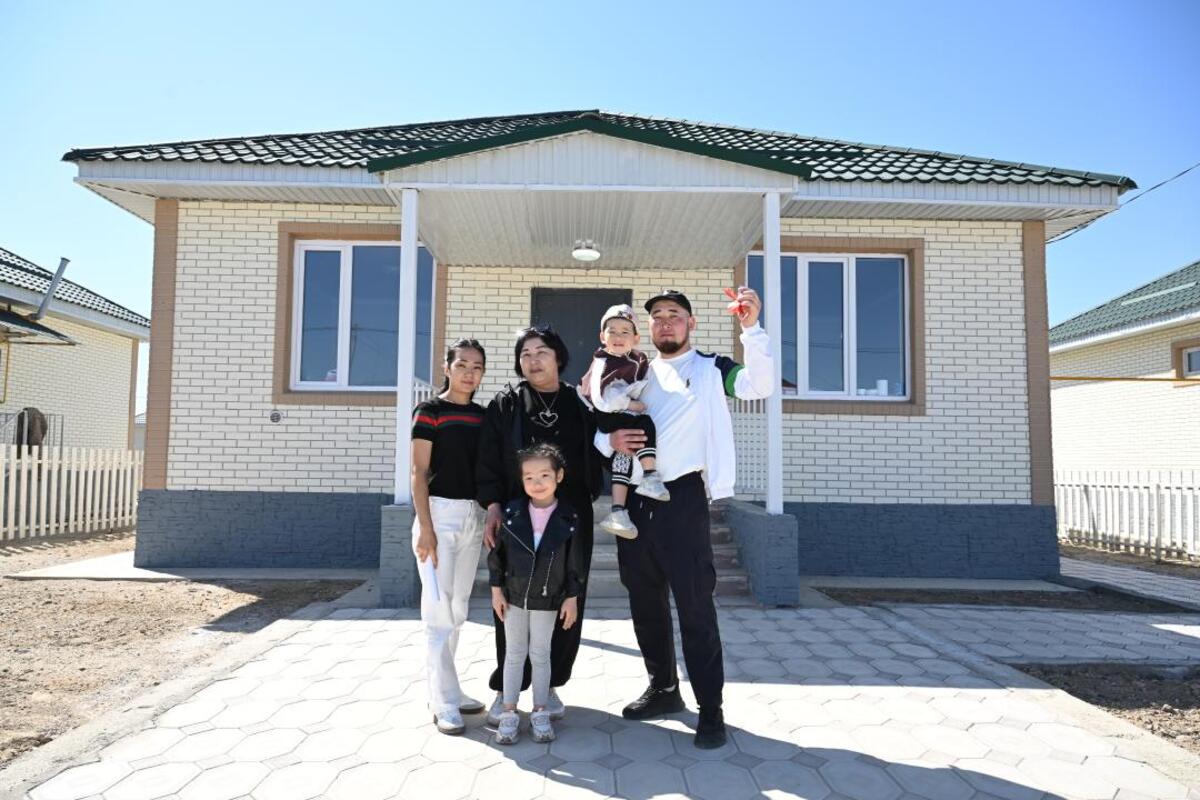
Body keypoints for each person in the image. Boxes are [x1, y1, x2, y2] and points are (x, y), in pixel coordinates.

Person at [598, 288, 774, 749]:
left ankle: (711, 709)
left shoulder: (712, 368)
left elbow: (760, 385)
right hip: (634, 500)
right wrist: (608, 442)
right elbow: (602, 424)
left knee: (695, 605)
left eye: (674, 315)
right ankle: (663, 690)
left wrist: (751, 329)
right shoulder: (634, 371)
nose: (665, 322)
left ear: (691, 324)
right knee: (645, 603)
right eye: (656, 316)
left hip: (683, 499)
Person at [476, 325, 602, 726]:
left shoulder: (579, 403)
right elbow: (489, 458)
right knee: (513, 601)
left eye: (542, 351)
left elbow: (599, 447)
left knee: (567, 597)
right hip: (518, 519)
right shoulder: (506, 404)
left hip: (569, 518)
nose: (533, 360)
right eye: (526, 354)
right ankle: (508, 687)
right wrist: (493, 505)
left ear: (558, 357)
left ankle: (550, 685)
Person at [411, 339, 488, 735]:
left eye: (477, 367)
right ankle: (442, 703)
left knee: (458, 609)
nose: (469, 373)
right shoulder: (430, 411)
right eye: (462, 365)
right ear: (447, 368)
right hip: (439, 515)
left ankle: (449, 690)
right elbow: (418, 473)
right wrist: (426, 528)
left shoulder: (482, 416)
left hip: (474, 515)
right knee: (439, 611)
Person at [488, 443, 583, 744]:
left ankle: (540, 710)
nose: (537, 483)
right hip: (514, 598)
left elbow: (574, 563)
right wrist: (496, 591)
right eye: (529, 477)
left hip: (547, 599)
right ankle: (509, 712)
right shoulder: (513, 512)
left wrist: (571, 597)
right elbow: (497, 557)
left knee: (541, 654)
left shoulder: (568, 517)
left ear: (559, 476)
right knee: (514, 654)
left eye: (544, 475)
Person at [577, 304, 669, 539]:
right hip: (606, 414)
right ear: (602, 336)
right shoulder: (602, 361)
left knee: (624, 455)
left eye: (625, 331)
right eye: (612, 331)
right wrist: (631, 404)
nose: (618, 337)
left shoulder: (638, 360)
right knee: (644, 423)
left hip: (619, 413)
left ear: (636, 338)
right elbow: (600, 399)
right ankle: (650, 475)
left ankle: (618, 511)